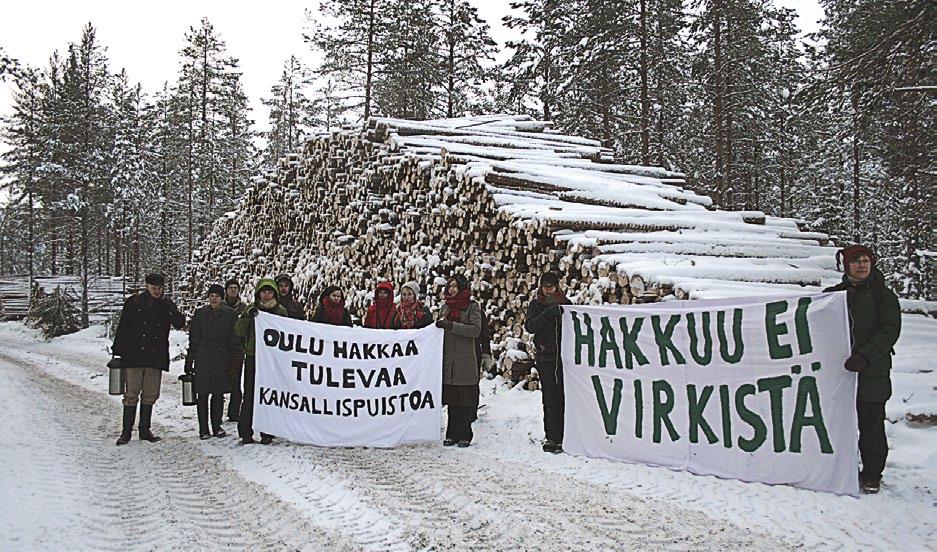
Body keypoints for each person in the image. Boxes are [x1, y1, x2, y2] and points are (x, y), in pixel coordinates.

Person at [824, 245, 901, 494]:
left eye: (866, 260)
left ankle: (871, 474)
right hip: (838, 373)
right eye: (856, 261)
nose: (862, 265)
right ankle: (838, 468)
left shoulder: (884, 296)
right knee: (837, 423)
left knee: (871, 425)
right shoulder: (834, 295)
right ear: (847, 266)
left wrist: (864, 356)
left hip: (872, 372)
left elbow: (889, 331)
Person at [112, 273, 186, 446]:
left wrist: (172, 310)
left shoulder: (166, 304)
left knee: (150, 395)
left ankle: (145, 429)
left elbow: (180, 323)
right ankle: (126, 431)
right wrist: (118, 351)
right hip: (134, 355)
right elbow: (123, 326)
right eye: (154, 288)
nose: (157, 291)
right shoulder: (134, 302)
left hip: (155, 356)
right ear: (147, 286)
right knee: (131, 394)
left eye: (160, 288)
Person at [234, 278, 288, 445]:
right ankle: (245, 431)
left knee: (269, 395)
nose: (266, 295)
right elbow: (239, 330)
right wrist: (247, 317)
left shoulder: (280, 311)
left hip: (272, 359)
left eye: (270, 292)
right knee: (249, 393)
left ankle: (267, 431)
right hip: (253, 356)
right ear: (258, 293)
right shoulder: (251, 310)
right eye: (264, 292)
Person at [524, 272, 572, 453]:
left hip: (565, 357)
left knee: (564, 396)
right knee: (550, 398)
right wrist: (548, 314)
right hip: (546, 357)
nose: (549, 290)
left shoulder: (566, 304)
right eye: (546, 287)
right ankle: (552, 436)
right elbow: (530, 326)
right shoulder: (536, 305)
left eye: (552, 286)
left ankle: (566, 435)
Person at [186, 284, 239, 439]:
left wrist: (235, 360)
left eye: (217, 296)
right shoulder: (200, 314)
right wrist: (190, 359)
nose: (214, 299)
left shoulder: (230, 314)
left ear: (221, 298)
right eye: (212, 296)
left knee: (218, 394)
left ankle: (217, 426)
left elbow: (234, 339)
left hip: (222, 359)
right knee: (202, 395)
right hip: (203, 359)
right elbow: (194, 338)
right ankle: (203, 428)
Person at [435, 274, 482, 447]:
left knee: (464, 400)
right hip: (448, 360)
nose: (451, 289)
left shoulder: (472, 307)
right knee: (452, 400)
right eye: (449, 286)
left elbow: (475, 330)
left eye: (455, 286)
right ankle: (451, 433)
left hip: (464, 359)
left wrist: (451, 326)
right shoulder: (445, 307)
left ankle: (464, 434)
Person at [224, 278, 247, 422]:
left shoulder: (243, 308)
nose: (233, 290)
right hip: (222, 349)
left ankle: (234, 412)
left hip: (238, 349)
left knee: (236, 382)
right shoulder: (220, 305)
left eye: (235, 287)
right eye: (230, 287)